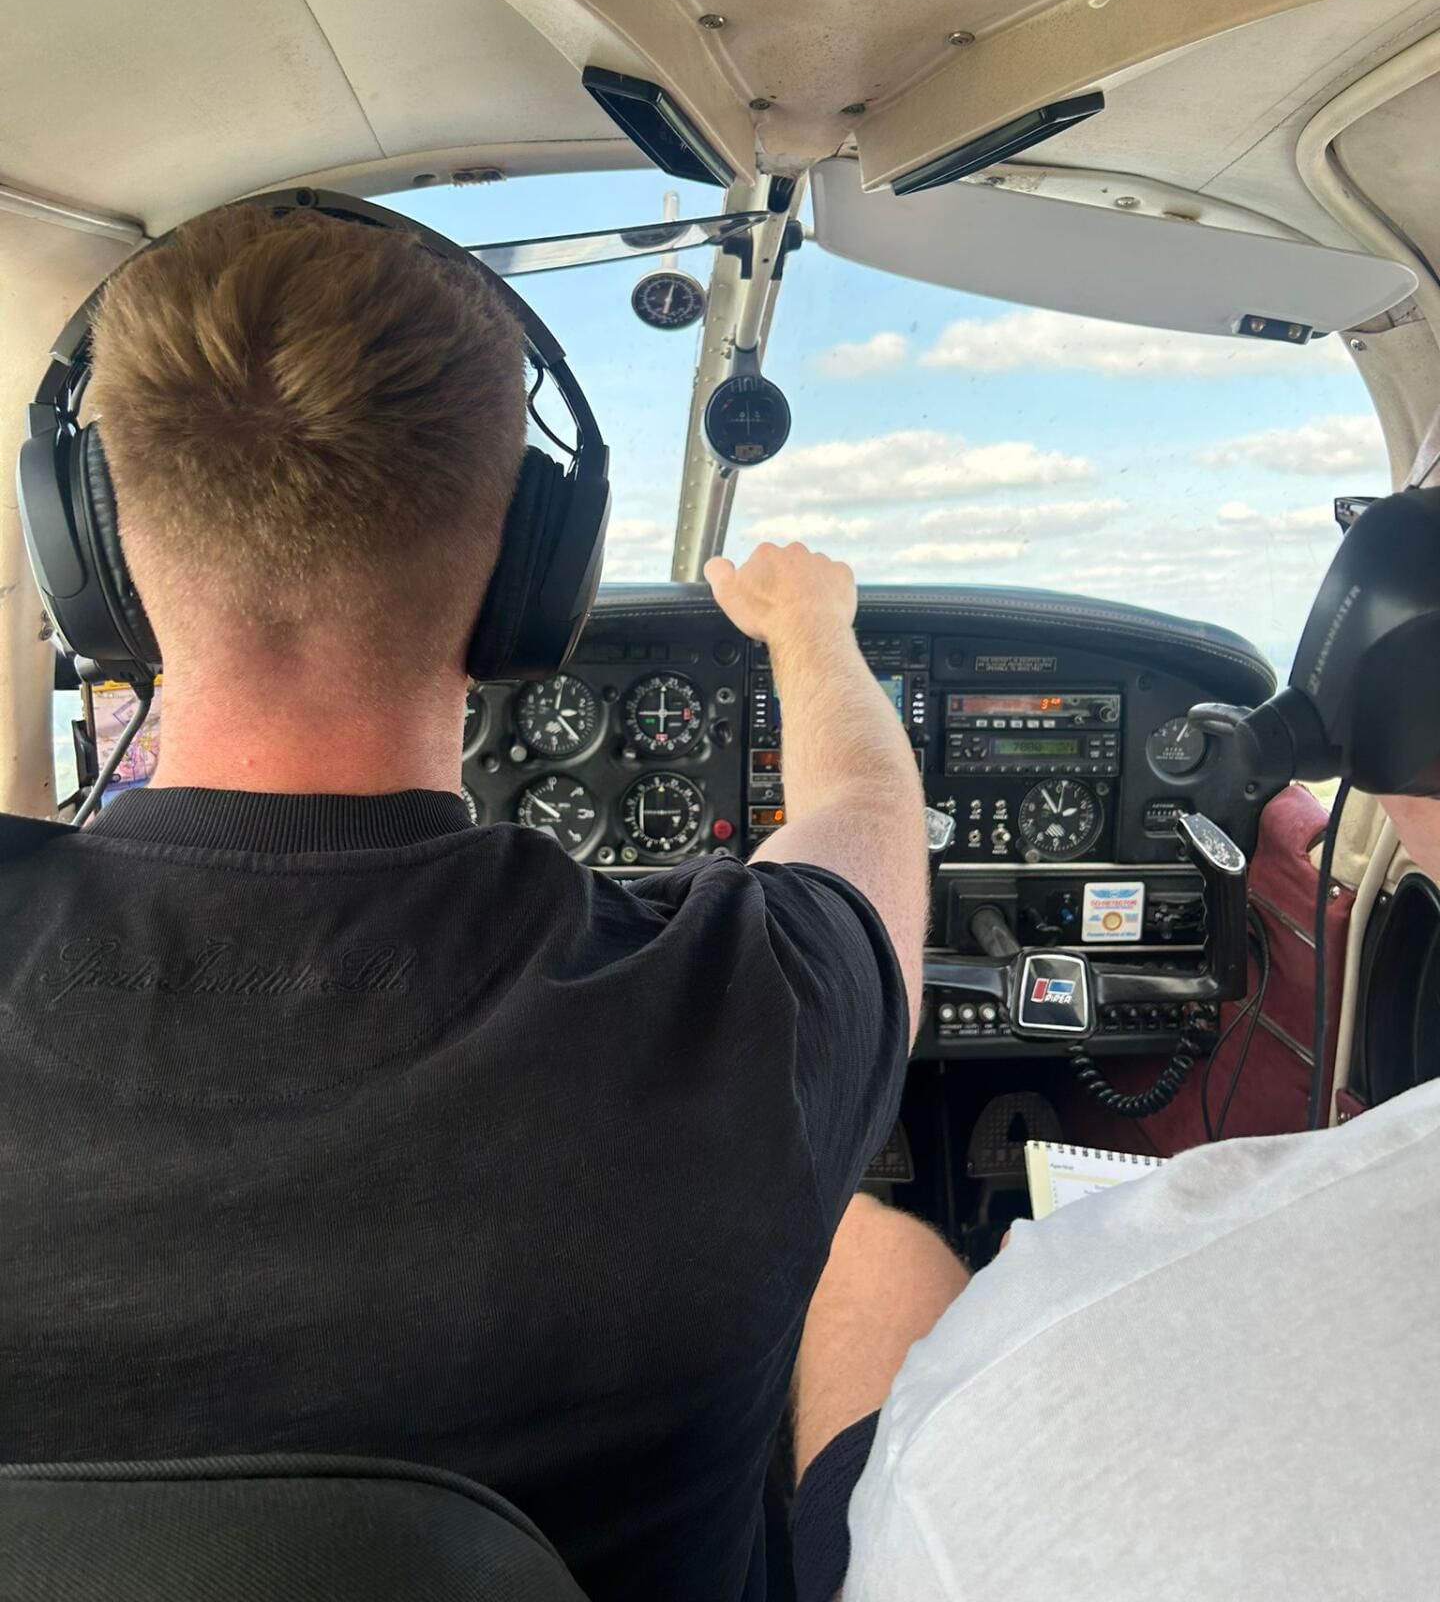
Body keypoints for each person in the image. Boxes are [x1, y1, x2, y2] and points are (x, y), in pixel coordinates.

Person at [0, 201, 930, 1602]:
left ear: (95, 562)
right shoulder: (740, 1013)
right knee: (881, 1250)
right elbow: (865, 818)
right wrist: (812, 632)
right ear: (537, 580)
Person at [789, 796, 1440, 1602]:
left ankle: (877, 1169)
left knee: (860, 1239)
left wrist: (1033, 1288)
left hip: (897, 1536)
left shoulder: (1061, 1300)